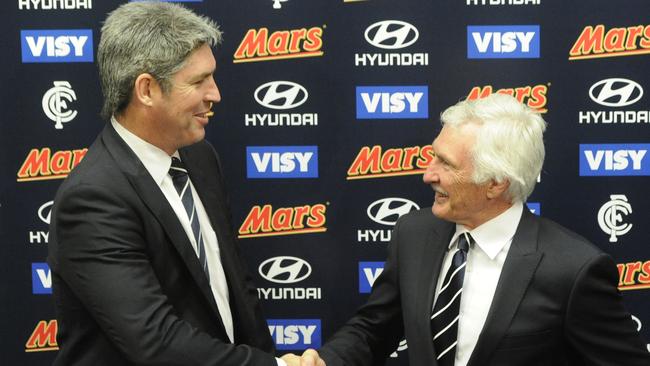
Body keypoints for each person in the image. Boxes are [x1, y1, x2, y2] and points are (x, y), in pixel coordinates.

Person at [48, 2, 323, 366]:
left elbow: (234, 287)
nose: (215, 95)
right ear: (146, 89)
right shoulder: (93, 199)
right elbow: (155, 340)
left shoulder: (200, 157)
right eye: (198, 81)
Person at [319, 94, 650, 365]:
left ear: (496, 183)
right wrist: (324, 361)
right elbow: (375, 328)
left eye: (446, 164)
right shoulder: (414, 234)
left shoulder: (572, 269)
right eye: (433, 157)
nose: (427, 175)